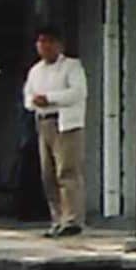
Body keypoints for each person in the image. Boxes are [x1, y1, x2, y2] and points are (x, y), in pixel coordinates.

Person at [21, 26, 89, 236]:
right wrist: (35, 102)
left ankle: (73, 219)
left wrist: (50, 98)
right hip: (43, 123)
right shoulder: (35, 71)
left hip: (66, 124)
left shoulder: (71, 66)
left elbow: (78, 93)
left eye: (50, 41)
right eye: (41, 42)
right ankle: (57, 218)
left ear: (59, 44)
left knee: (67, 171)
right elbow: (27, 97)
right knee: (48, 174)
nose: (45, 46)